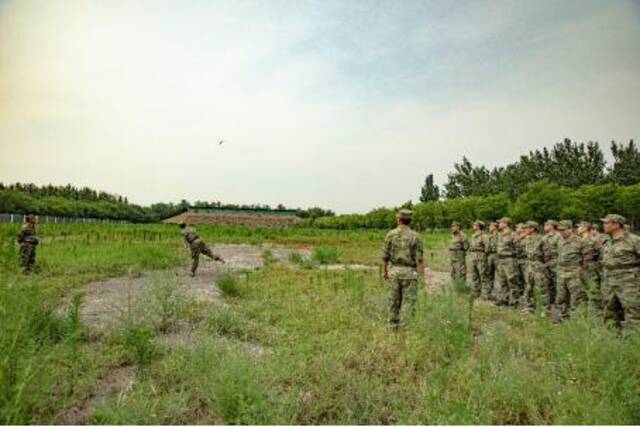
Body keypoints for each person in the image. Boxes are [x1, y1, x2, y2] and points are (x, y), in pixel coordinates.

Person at [383, 209, 425, 330]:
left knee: (393, 300)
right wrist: (422, 277)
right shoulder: (416, 236)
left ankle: (392, 325)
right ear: (410, 221)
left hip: (394, 271)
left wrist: (385, 272)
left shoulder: (390, 234)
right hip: (409, 272)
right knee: (409, 301)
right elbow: (420, 260)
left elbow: (385, 256)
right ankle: (406, 327)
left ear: (398, 219)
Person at [600, 214, 640, 334]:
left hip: (628, 283)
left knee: (633, 312)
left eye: (607, 223)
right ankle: (612, 341)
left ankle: (633, 342)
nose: (604, 225)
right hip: (609, 281)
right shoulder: (607, 241)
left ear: (617, 225)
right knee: (609, 312)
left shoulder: (633, 240)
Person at [555, 220, 587, 320]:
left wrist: (581, 271)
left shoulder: (580, 241)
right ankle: (563, 316)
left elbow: (586, 258)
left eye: (563, 230)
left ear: (570, 229)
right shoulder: (559, 240)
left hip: (574, 272)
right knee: (561, 297)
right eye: (559, 230)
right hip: (561, 271)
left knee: (576, 297)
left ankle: (578, 319)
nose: (561, 232)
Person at [521, 221, 552, 314]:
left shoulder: (542, 239)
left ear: (532, 229)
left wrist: (542, 265)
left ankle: (545, 310)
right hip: (529, 265)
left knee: (542, 288)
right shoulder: (527, 239)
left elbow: (547, 255)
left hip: (539, 265)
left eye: (526, 228)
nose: (525, 230)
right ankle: (529, 307)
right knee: (528, 287)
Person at [494, 217, 521, 307]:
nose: (499, 224)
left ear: (506, 224)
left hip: (510, 260)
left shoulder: (513, 234)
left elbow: (518, 248)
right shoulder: (500, 234)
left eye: (501, 222)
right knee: (502, 280)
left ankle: (514, 301)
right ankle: (503, 299)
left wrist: (514, 257)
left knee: (512, 280)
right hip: (501, 259)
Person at [577, 221, 602, 314]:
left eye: (579, 227)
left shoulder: (592, 240)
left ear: (585, 228)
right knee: (583, 291)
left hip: (590, 267)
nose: (578, 229)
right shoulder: (580, 240)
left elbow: (600, 254)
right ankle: (586, 312)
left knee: (592, 290)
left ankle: (595, 313)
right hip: (583, 268)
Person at [467, 220, 490, 299]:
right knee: (474, 276)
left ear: (479, 226)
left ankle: (485, 294)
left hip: (481, 257)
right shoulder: (473, 236)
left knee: (483, 275)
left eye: (475, 225)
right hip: (473, 257)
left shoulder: (484, 236)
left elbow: (487, 248)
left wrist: (483, 255)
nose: (473, 226)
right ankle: (476, 292)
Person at [542, 220, 561, 311]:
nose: (544, 226)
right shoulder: (544, 237)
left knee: (558, 284)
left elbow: (562, 250)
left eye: (547, 224)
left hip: (556, 262)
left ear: (552, 226)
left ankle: (559, 305)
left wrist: (550, 252)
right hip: (546, 263)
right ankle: (549, 304)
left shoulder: (558, 236)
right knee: (547, 284)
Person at [486, 222, 499, 298]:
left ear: (495, 227)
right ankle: (489, 293)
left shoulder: (499, 235)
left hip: (497, 255)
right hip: (490, 255)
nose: (489, 227)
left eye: (491, 225)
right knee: (489, 274)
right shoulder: (489, 236)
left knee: (500, 275)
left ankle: (500, 293)